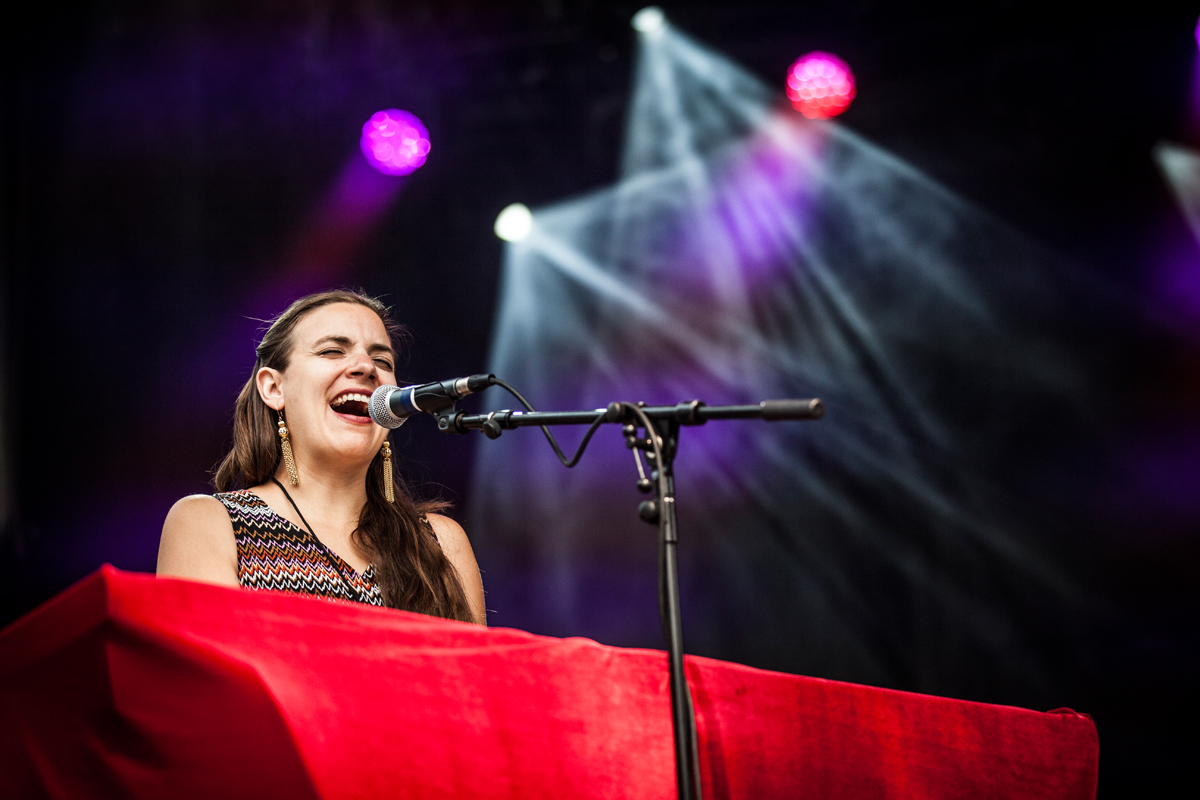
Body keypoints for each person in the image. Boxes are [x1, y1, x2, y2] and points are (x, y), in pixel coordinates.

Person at [157, 290, 486, 625]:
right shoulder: (210, 523)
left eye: (383, 361)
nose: (366, 367)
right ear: (273, 388)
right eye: (332, 351)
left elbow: (475, 677)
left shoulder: (440, 544)